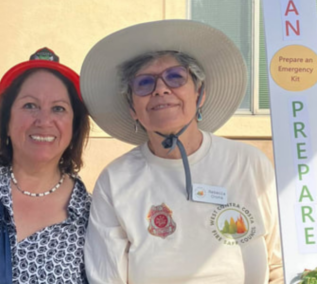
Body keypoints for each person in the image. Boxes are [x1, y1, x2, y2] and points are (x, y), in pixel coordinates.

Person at [80, 20, 283, 283]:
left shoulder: (248, 164)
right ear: (133, 108)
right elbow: (105, 277)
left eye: (176, 77)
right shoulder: (115, 180)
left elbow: (280, 263)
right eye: (144, 83)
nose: (161, 89)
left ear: (200, 94)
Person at [0, 48, 91, 284]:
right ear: (7, 120)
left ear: (75, 127)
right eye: (30, 105)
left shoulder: (92, 217)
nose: (43, 121)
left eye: (59, 108)